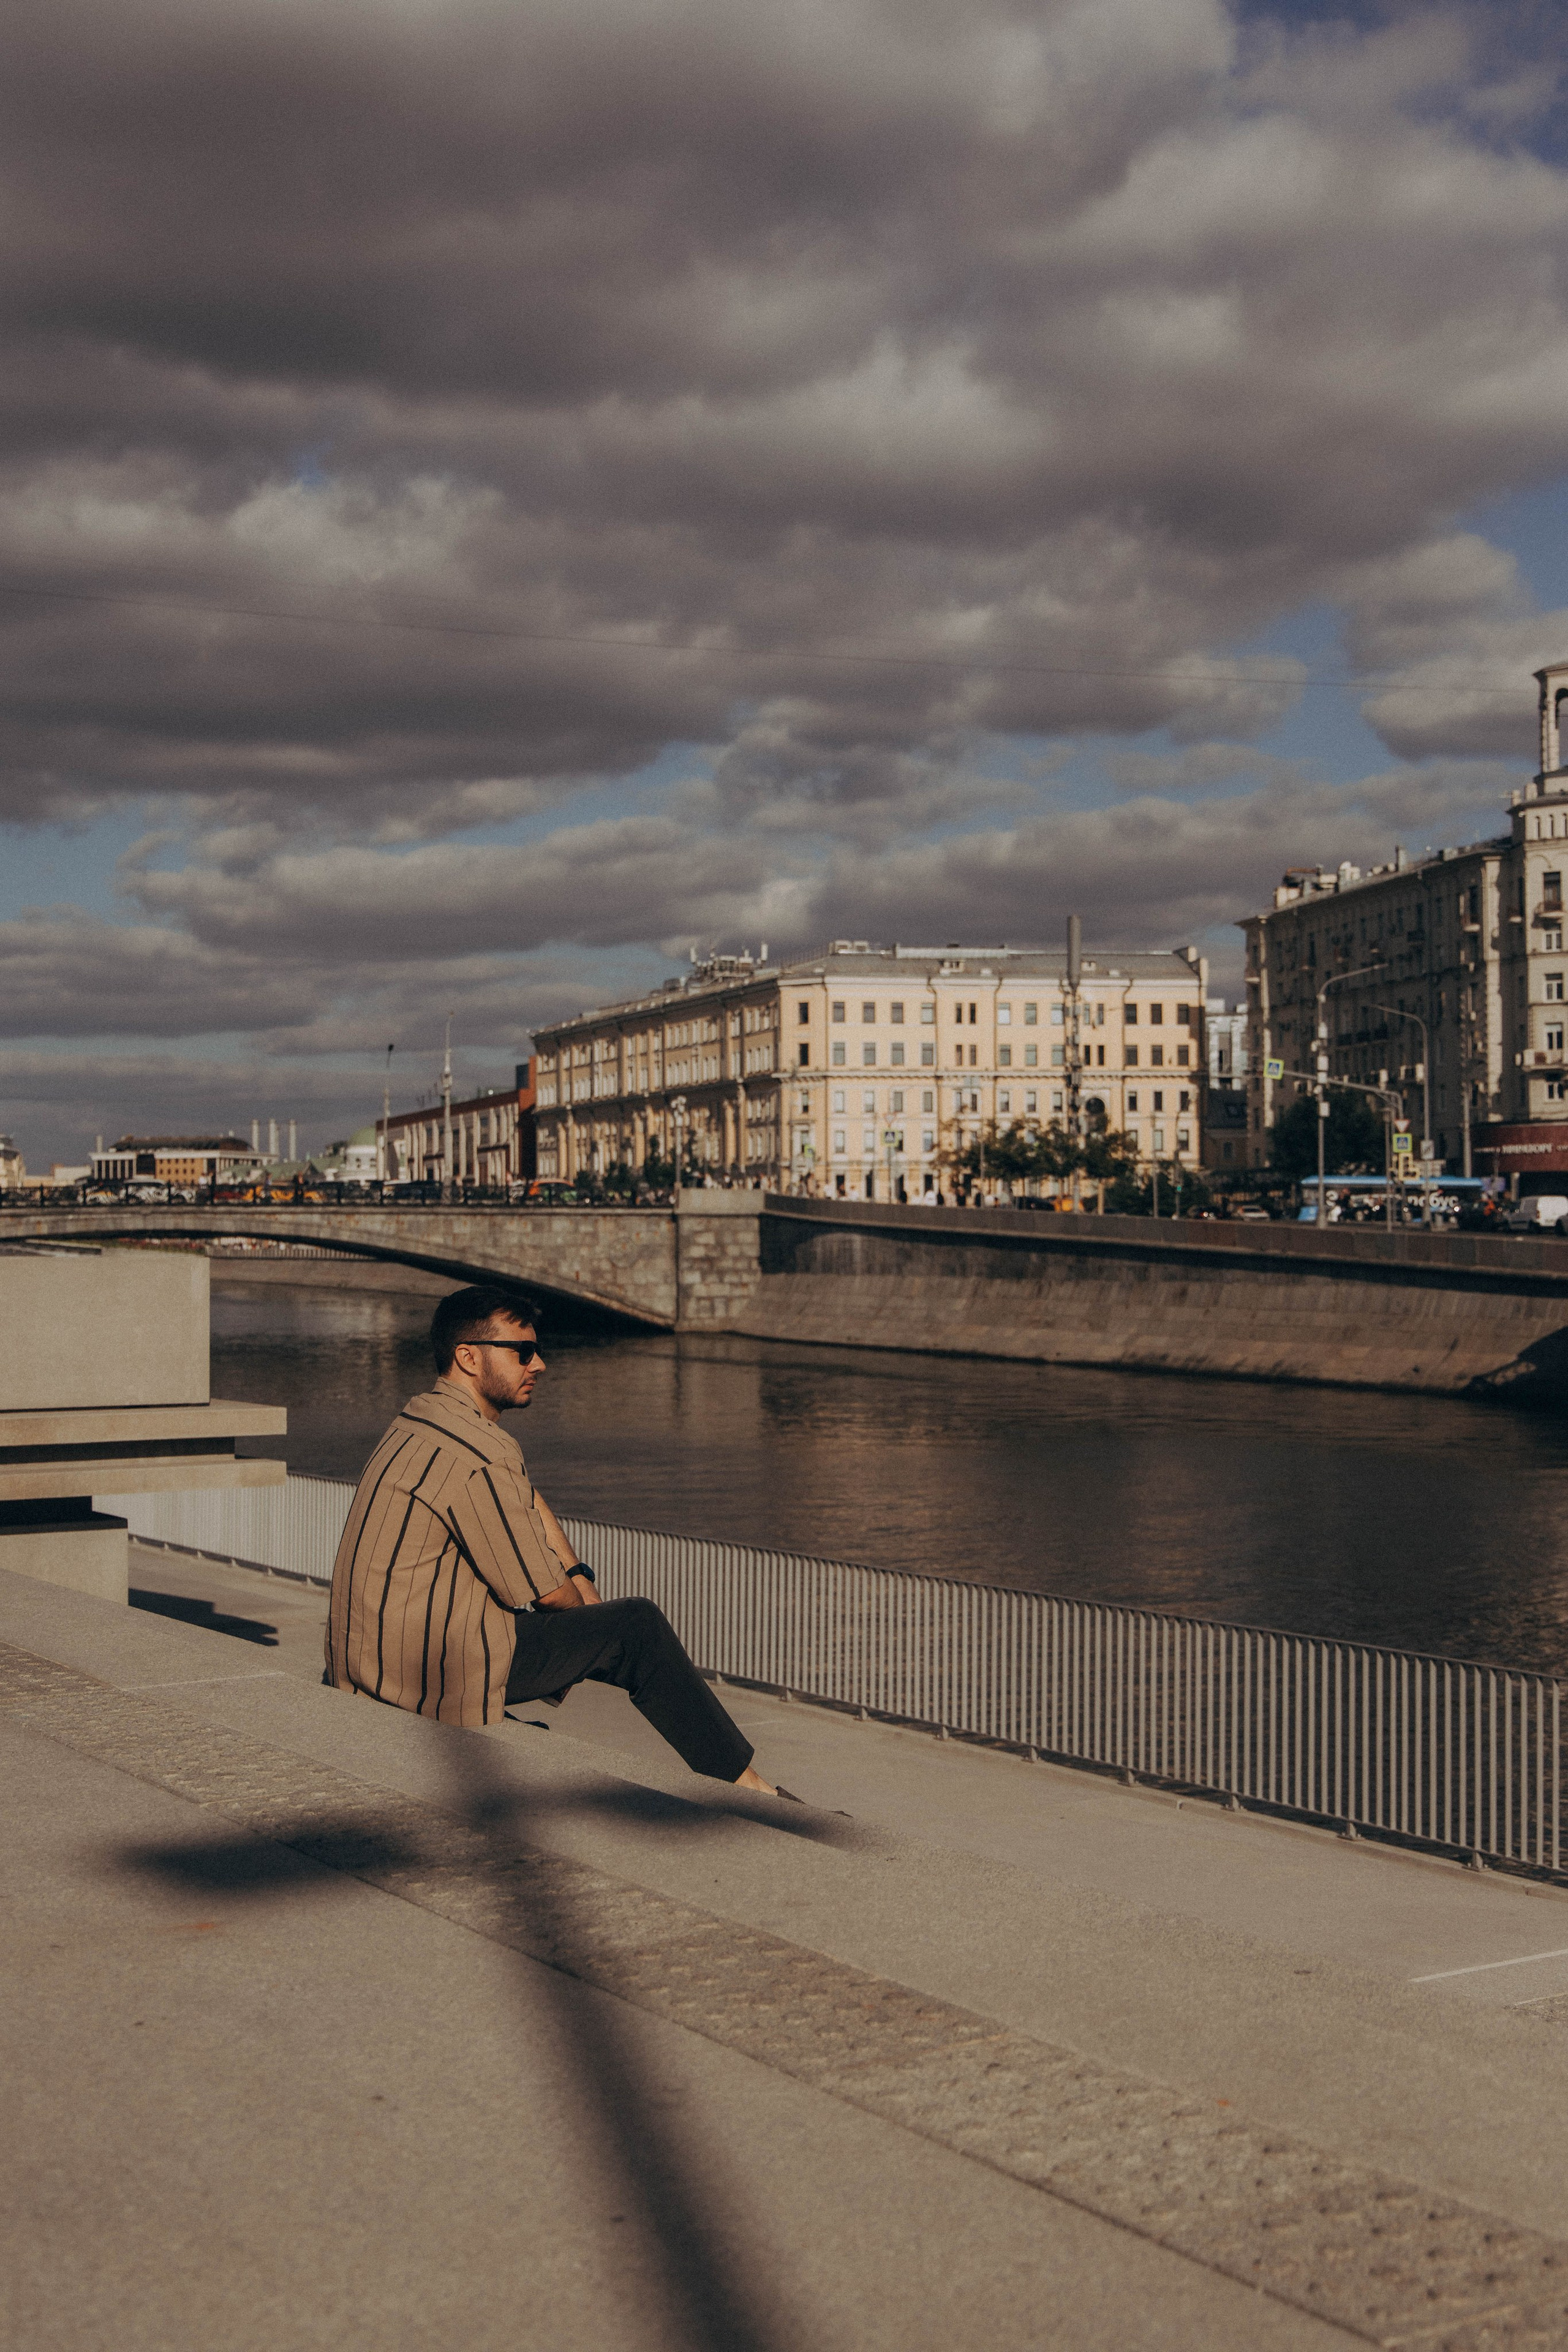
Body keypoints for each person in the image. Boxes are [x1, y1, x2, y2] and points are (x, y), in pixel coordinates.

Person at [325, 1283, 791, 1797]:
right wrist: (583, 1599)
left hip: (369, 1662)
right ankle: (751, 1788)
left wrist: (577, 1580)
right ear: (469, 1357)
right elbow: (546, 1595)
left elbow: (522, 1493)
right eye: (522, 1352)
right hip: (429, 1676)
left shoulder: (420, 1419)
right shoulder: (484, 1452)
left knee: (607, 1626)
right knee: (636, 1626)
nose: (539, 1364)